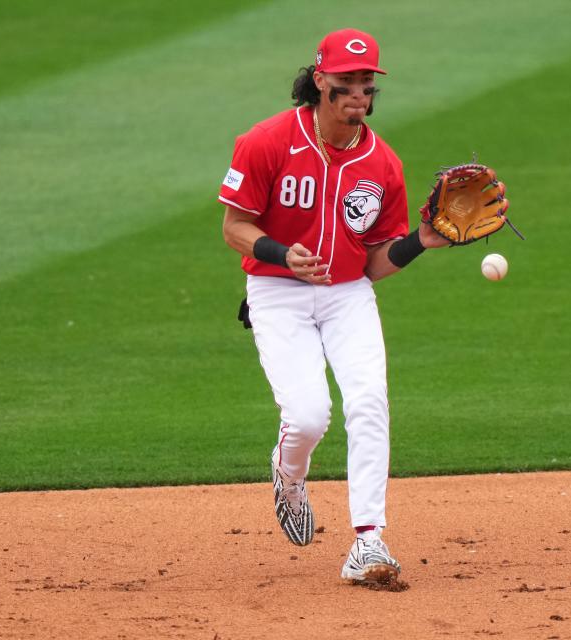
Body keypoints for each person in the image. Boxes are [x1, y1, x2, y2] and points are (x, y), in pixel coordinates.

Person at [219, 28, 449, 584]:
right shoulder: (267, 141)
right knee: (307, 416)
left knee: (368, 401)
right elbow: (234, 227)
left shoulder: (382, 163)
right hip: (278, 291)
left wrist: (422, 241)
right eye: (346, 82)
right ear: (319, 80)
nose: (357, 94)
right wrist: (280, 254)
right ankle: (289, 476)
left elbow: (373, 263)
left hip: (347, 294)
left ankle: (368, 541)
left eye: (365, 84)